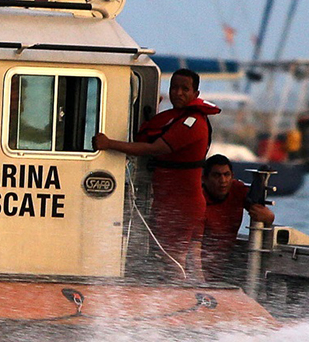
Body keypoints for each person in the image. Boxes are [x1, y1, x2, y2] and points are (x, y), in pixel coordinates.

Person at [92, 68, 219, 278]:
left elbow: (154, 149)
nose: (178, 93)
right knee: (178, 259)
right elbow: (151, 136)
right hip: (169, 201)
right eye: (174, 88)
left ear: (196, 94)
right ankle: (190, 297)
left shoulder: (193, 123)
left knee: (173, 259)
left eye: (185, 89)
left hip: (183, 205)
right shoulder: (176, 119)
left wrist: (109, 144)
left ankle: (180, 301)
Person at [199, 154, 275, 283]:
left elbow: (258, 210)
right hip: (198, 265)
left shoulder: (237, 190)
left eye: (226, 175)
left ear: (232, 176)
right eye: (217, 175)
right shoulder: (197, 200)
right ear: (204, 179)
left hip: (226, 266)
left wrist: (269, 217)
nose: (223, 180)